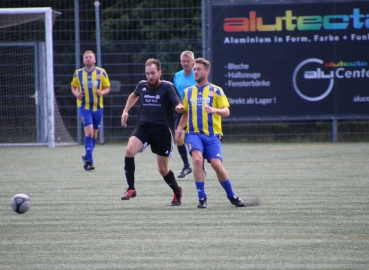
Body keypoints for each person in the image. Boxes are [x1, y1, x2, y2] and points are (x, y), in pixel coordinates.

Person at [177, 57, 245, 208]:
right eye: (194, 69)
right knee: (197, 161)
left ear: (207, 72)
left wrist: (214, 110)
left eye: (199, 69)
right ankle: (202, 197)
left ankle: (232, 196)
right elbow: (186, 113)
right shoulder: (188, 92)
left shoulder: (216, 90)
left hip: (212, 136)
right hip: (194, 134)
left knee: (217, 165)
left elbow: (226, 111)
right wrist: (180, 127)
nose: (195, 71)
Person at [121, 58, 184, 206]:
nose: (150, 76)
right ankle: (131, 188)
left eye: (153, 73)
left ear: (159, 72)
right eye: (148, 73)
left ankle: (177, 191)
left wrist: (179, 108)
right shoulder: (142, 85)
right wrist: (125, 111)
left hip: (162, 130)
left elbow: (178, 103)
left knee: (162, 169)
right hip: (144, 127)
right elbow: (133, 95)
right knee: (129, 150)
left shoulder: (167, 87)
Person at [71, 50, 110, 171]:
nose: (88, 59)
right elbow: (73, 86)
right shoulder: (78, 73)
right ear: (83, 60)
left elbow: (107, 87)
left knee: (94, 134)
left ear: (94, 60)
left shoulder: (101, 72)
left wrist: (101, 92)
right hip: (84, 108)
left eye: (90, 57)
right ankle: (90, 161)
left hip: (98, 108)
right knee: (88, 133)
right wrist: (76, 94)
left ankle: (86, 156)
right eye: (86, 57)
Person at [173, 51, 206, 178]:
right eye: (183, 61)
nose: (186, 63)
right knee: (178, 137)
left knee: (196, 138)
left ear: (193, 62)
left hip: (196, 111)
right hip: (182, 111)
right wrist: (177, 105)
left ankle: (200, 166)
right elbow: (174, 93)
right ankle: (187, 166)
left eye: (188, 61)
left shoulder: (197, 74)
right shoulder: (177, 76)